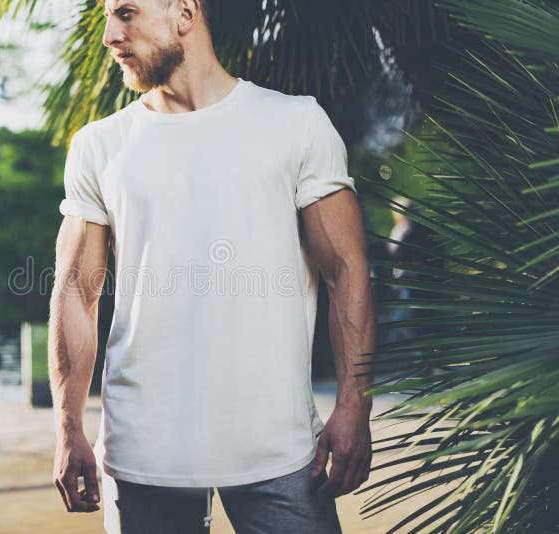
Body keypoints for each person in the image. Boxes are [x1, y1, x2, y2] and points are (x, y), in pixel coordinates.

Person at [48, 1, 376, 532]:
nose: (110, 35)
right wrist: (68, 429)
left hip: (280, 451)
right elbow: (74, 294)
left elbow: (347, 272)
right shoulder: (98, 146)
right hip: (142, 452)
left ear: (184, 12)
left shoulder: (295, 122)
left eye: (126, 13)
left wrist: (353, 406)